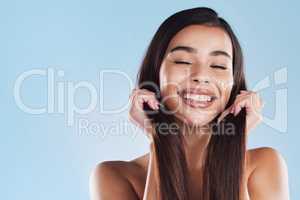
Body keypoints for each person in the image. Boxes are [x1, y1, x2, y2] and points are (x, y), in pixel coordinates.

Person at [89, 7, 289, 200]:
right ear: (156, 74)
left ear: (234, 85)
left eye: (219, 65)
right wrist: (157, 137)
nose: (201, 76)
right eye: (183, 61)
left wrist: (237, 138)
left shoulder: (263, 165)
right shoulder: (114, 176)